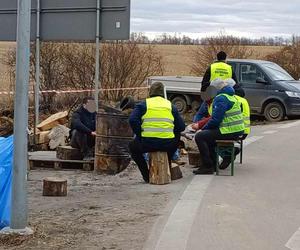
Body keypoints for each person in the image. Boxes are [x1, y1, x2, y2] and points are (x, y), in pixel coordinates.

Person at [129, 82, 186, 183]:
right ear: (162, 93)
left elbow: (132, 120)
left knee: (132, 148)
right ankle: (167, 165)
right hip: (167, 145)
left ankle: (146, 176)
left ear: (150, 92)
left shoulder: (143, 104)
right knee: (177, 135)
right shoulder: (170, 106)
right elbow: (181, 127)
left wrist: (140, 134)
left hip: (147, 143)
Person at [193, 81, 245, 175]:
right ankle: (213, 164)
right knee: (208, 136)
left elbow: (216, 120)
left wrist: (202, 129)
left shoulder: (220, 98)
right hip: (236, 130)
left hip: (229, 130)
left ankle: (208, 166)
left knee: (200, 136)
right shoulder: (230, 96)